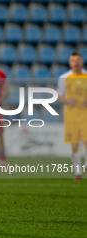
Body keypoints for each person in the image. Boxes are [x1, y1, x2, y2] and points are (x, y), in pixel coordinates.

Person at [57, 52, 87, 181]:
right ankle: (78, 172)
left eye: (78, 60)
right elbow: (59, 96)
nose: (75, 62)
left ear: (82, 62)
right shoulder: (64, 77)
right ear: (70, 63)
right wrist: (68, 101)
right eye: (73, 60)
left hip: (85, 116)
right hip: (71, 117)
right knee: (74, 145)